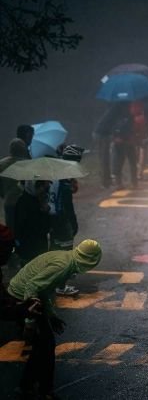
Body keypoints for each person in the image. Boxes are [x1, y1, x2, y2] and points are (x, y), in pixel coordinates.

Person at [7, 239, 102, 399]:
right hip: (21, 298)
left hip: (24, 296)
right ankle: (43, 390)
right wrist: (30, 322)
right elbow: (32, 287)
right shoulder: (62, 267)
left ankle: (28, 387)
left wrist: (51, 315)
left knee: (42, 346)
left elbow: (43, 290)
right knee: (46, 345)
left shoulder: (66, 259)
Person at [49, 145, 84, 296]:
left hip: (50, 217)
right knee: (65, 252)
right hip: (61, 219)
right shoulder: (64, 180)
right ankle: (61, 286)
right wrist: (73, 222)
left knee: (54, 249)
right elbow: (67, 206)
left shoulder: (56, 172)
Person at [14, 180, 51, 267]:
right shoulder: (24, 202)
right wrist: (44, 212)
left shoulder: (37, 200)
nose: (41, 189)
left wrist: (45, 211)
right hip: (29, 247)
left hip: (37, 247)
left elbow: (46, 227)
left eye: (42, 186)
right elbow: (24, 225)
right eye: (38, 186)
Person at [93, 102, 129, 188]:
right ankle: (105, 183)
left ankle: (108, 180)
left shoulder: (115, 110)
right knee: (104, 159)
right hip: (101, 134)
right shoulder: (116, 112)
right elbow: (114, 126)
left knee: (106, 158)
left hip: (104, 134)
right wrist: (115, 137)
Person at [0, 138, 29, 232]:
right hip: (25, 203)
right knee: (24, 230)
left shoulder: (2, 164)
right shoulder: (27, 165)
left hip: (9, 202)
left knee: (10, 231)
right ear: (23, 149)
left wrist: (4, 194)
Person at [111, 105, 138, 189]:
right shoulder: (130, 115)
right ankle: (134, 183)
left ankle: (119, 183)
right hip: (128, 140)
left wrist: (114, 137)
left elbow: (111, 127)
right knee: (132, 162)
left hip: (119, 140)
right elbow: (132, 127)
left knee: (119, 162)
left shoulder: (113, 114)